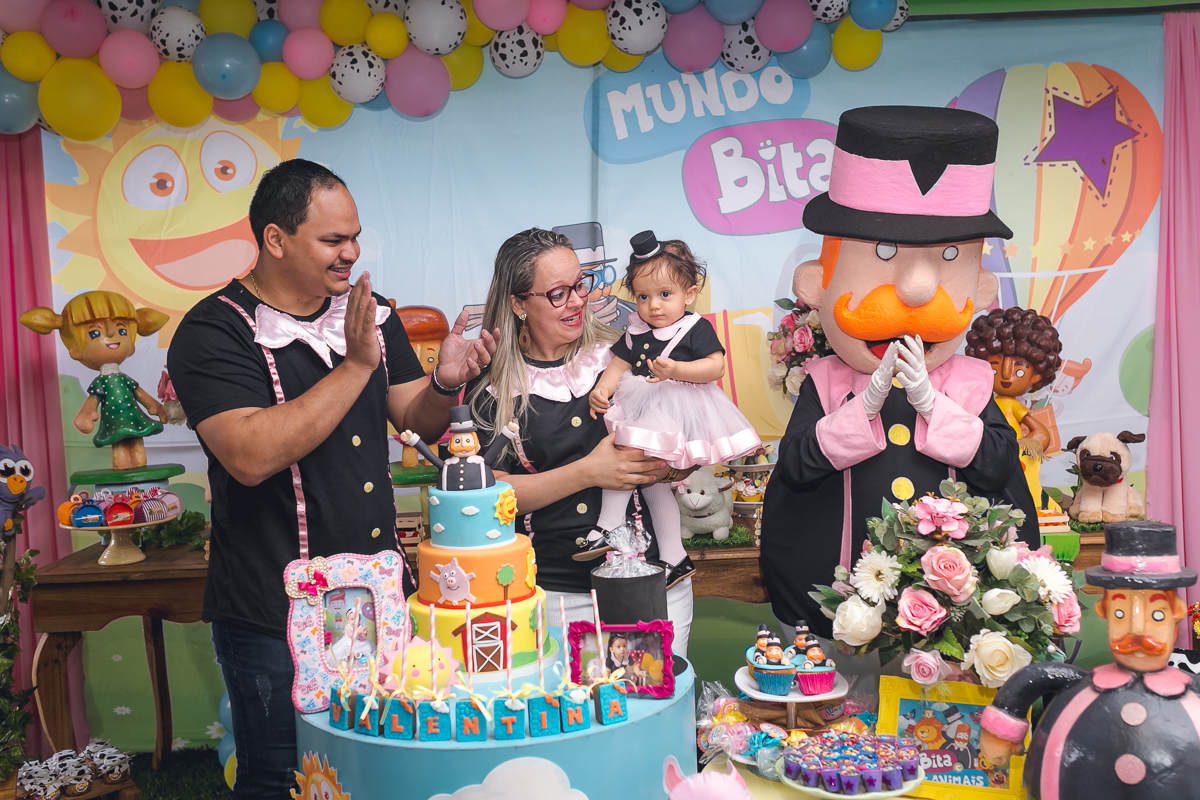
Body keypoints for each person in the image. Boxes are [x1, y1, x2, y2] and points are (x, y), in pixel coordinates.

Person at [167, 159, 496, 799]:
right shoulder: (214, 330)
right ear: (274, 238)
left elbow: (412, 417)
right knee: (280, 776)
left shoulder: (370, 313)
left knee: (379, 766)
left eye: (355, 237)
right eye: (332, 240)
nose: (351, 253)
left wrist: (446, 384)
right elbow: (250, 454)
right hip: (271, 606)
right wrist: (353, 366)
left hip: (378, 595)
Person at [760, 107, 1040, 688]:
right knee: (851, 716)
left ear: (980, 285)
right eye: (884, 254)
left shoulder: (970, 381)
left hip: (945, 606)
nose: (916, 290)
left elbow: (998, 466)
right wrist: (858, 411)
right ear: (817, 281)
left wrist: (936, 406)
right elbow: (795, 468)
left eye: (946, 260)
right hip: (849, 603)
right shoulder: (825, 379)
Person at [465, 228, 694, 656]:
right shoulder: (491, 387)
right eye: (557, 293)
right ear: (517, 303)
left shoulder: (624, 354)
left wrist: (680, 461)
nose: (576, 301)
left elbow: (686, 425)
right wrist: (587, 472)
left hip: (656, 581)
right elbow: (485, 495)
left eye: (580, 285)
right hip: (557, 596)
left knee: (656, 710)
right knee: (577, 718)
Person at [586, 232, 760, 586]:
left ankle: (608, 523)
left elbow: (715, 367)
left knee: (626, 454)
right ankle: (674, 556)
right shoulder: (637, 331)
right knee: (653, 483)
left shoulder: (695, 327)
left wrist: (678, 370)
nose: (654, 306)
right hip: (646, 405)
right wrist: (602, 390)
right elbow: (618, 365)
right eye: (643, 297)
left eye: (665, 295)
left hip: (679, 411)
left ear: (689, 294)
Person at [979, 522, 1200, 800]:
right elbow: (1033, 679)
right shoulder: (1078, 686)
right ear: (1104, 610)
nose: (1137, 630)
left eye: (1156, 615)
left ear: (1176, 612)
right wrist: (1000, 732)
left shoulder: (1193, 699)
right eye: (1120, 614)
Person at [20, 291, 169, 469]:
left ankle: (140, 477)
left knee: (138, 452)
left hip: (134, 418)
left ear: (132, 346)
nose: (112, 335)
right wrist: (86, 413)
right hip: (114, 423)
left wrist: (155, 406)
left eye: (122, 331)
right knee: (120, 452)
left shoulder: (124, 380)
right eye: (94, 333)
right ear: (75, 349)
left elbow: (139, 393)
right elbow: (94, 399)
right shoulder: (102, 383)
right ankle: (125, 482)